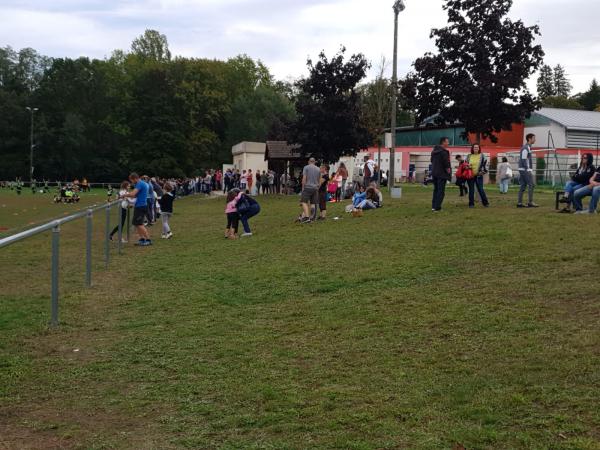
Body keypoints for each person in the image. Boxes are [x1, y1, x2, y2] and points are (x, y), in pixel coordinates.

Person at [122, 173, 152, 246]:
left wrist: (124, 195)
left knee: (140, 224)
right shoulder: (140, 184)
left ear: (135, 178)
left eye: (131, 180)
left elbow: (133, 194)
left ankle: (148, 240)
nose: (131, 182)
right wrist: (129, 197)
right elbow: (135, 195)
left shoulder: (140, 184)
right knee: (136, 223)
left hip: (141, 206)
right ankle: (142, 239)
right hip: (140, 205)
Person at [431, 137, 451, 212]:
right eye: (447, 142)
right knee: (441, 191)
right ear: (443, 142)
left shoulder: (433, 151)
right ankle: (437, 208)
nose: (448, 143)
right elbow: (446, 163)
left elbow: (431, 160)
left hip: (434, 173)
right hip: (442, 174)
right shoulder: (444, 152)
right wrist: (448, 171)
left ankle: (433, 207)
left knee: (436, 190)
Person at [517, 134, 538, 208]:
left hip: (523, 169)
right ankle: (530, 202)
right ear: (529, 139)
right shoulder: (526, 148)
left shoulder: (527, 147)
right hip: (525, 170)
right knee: (531, 185)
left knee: (523, 186)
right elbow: (523, 159)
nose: (535, 140)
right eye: (534, 138)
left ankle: (519, 203)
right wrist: (527, 169)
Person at [466, 144, 490, 208]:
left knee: (480, 189)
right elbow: (465, 164)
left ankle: (485, 203)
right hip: (470, 176)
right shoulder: (469, 156)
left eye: (477, 147)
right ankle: (471, 204)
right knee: (471, 190)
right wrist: (467, 166)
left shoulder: (482, 156)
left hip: (479, 175)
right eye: (474, 147)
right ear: (472, 148)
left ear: (479, 148)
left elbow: (486, 165)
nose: (476, 148)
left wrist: (483, 172)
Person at [299, 158, 321, 223]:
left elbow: (304, 178)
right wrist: (318, 187)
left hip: (307, 187)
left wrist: (303, 188)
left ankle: (307, 217)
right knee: (313, 203)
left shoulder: (306, 167)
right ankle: (312, 218)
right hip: (315, 188)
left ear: (309, 161)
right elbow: (319, 180)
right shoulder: (318, 169)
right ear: (314, 162)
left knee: (303, 202)